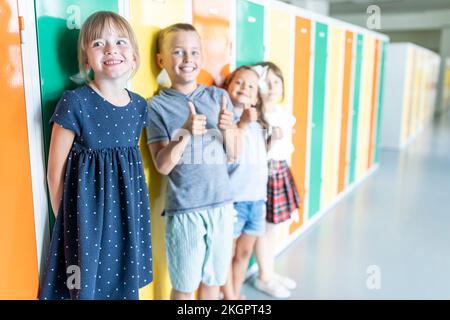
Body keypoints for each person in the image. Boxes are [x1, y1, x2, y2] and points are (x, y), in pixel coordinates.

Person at [40, 11, 153, 300]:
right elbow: (55, 176)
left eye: (120, 42)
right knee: (82, 286)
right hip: (86, 222)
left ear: (135, 57)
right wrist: (71, 230)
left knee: (120, 286)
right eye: (99, 43)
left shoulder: (139, 106)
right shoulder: (75, 102)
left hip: (125, 216)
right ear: (87, 60)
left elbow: (128, 169)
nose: (111, 49)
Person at [146, 23, 241, 300]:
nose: (188, 59)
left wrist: (229, 131)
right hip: (185, 210)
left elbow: (234, 154)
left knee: (213, 282)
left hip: (222, 205)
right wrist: (184, 133)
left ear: (201, 57)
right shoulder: (156, 106)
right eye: (178, 52)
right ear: (161, 60)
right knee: (185, 286)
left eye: (194, 52)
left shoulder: (218, 96)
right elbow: (162, 166)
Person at [252, 61, 301, 299]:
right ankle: (264, 278)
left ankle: (269, 272)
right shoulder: (257, 116)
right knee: (263, 229)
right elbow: (256, 152)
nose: (272, 87)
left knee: (273, 229)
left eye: (276, 82)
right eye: (267, 82)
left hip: (281, 172)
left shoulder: (281, 113)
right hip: (265, 175)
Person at [221, 65, 268, 300]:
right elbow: (232, 154)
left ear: (257, 96)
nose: (244, 88)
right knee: (227, 253)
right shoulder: (226, 120)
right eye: (239, 82)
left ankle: (236, 293)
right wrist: (243, 123)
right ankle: (229, 298)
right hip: (234, 200)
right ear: (227, 86)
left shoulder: (259, 123)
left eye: (251, 86)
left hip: (257, 200)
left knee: (245, 252)